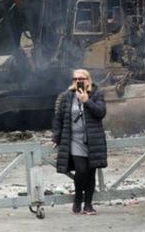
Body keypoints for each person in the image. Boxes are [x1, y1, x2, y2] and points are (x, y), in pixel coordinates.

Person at [52, 69, 107, 215]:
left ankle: (88, 205)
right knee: (81, 170)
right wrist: (56, 137)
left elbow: (101, 113)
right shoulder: (66, 96)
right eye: (75, 79)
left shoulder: (96, 94)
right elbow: (59, 118)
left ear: (88, 80)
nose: (78, 81)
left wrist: (86, 101)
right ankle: (77, 199)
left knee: (91, 172)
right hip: (74, 140)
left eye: (81, 79)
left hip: (93, 140)